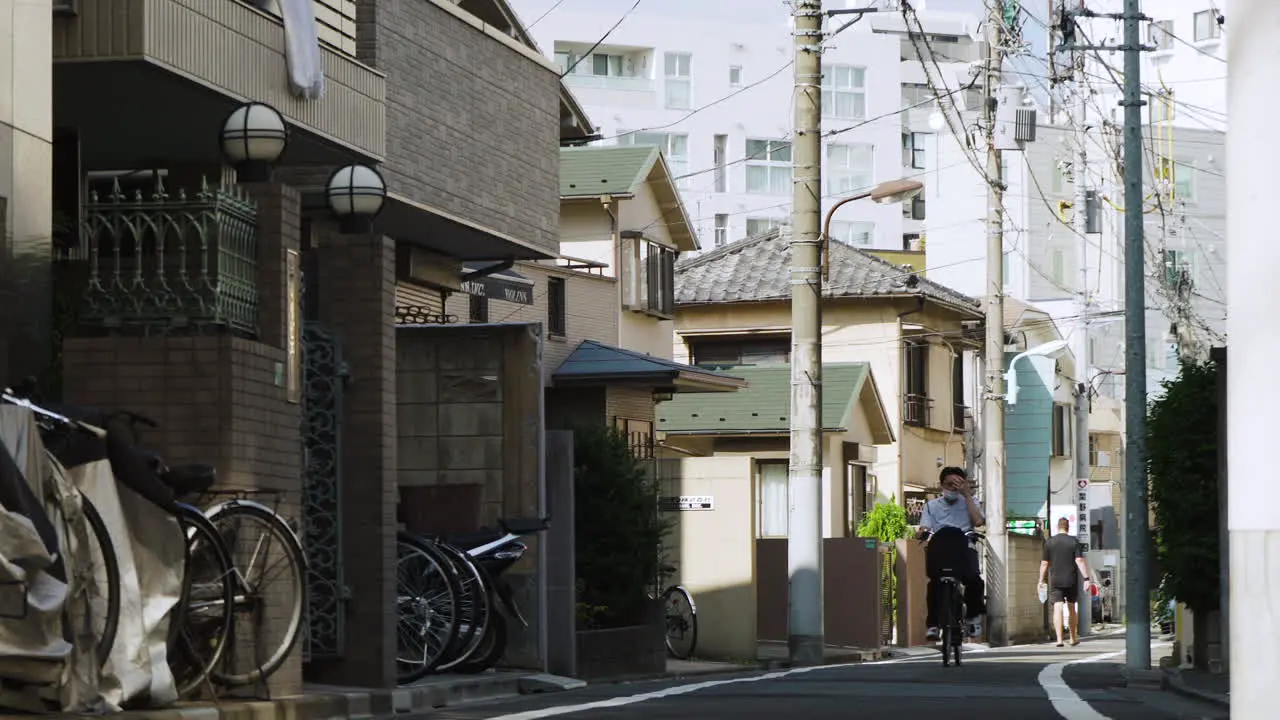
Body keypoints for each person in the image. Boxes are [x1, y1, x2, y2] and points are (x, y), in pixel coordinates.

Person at [918, 466, 986, 641]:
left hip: (964, 546)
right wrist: (922, 532)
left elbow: (978, 521)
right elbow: (924, 527)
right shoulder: (931, 506)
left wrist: (967, 495)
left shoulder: (971, 502)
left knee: (974, 581)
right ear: (941, 486)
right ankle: (933, 624)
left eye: (957, 484)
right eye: (949, 484)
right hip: (940, 548)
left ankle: (972, 617)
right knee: (934, 584)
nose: (953, 489)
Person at [1038, 517, 1094, 647]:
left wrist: (1041, 580)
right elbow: (1079, 560)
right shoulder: (1074, 541)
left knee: (1057, 607)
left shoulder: (1050, 542)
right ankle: (1073, 638)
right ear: (1068, 527)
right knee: (1071, 607)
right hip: (1071, 579)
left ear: (1058, 527)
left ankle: (1059, 640)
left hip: (1055, 579)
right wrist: (1086, 578)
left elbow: (1044, 563)